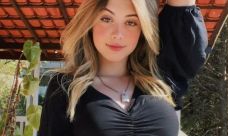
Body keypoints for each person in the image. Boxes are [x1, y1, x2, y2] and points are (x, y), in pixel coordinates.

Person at [38, 0, 208, 135]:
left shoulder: (161, 75)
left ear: (143, 29)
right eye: (106, 19)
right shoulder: (67, 88)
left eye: (131, 22)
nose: (118, 34)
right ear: (90, 23)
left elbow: (183, 9)